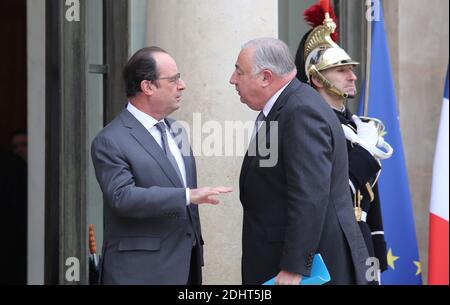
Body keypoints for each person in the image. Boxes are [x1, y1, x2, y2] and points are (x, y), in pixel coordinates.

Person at [230, 37, 370, 285]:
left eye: (239, 72)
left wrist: (295, 266)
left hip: (303, 271)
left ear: (265, 77)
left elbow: (310, 195)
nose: (232, 79)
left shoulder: (300, 111)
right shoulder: (286, 107)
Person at [91, 46, 232, 285]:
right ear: (148, 87)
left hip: (185, 268)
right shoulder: (110, 140)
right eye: (174, 79)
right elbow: (122, 197)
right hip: (139, 273)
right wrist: (186, 196)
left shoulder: (177, 131)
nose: (182, 85)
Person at [294, 1, 391, 278]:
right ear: (316, 78)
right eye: (340, 70)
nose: (352, 76)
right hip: (330, 239)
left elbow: (370, 195)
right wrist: (366, 152)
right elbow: (334, 188)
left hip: (361, 237)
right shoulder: (311, 124)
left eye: (351, 68)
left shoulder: (357, 126)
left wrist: (377, 243)